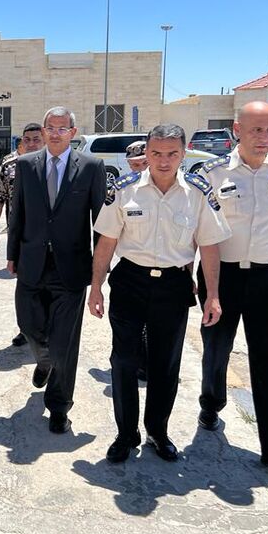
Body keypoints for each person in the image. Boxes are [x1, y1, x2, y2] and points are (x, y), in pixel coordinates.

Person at [88, 124, 230, 463]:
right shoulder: (124, 189)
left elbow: (209, 246)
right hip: (130, 281)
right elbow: (106, 241)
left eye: (172, 154)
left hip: (173, 285)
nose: (164, 161)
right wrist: (95, 287)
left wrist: (212, 294)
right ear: (146, 153)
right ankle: (126, 433)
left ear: (184, 154)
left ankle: (157, 431)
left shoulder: (198, 193)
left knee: (165, 364)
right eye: (156, 153)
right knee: (123, 360)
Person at [197, 101, 268, 471]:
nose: (264, 137)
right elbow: (203, 234)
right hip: (222, 277)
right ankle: (211, 404)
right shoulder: (213, 173)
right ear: (237, 131)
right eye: (257, 129)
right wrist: (209, 288)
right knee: (217, 350)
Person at [7, 107, 106, 434]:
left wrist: (98, 274)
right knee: (28, 325)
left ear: (73, 133)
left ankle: (60, 406)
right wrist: (12, 254)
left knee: (66, 343)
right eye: (50, 127)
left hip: (71, 268)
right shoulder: (25, 165)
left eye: (63, 128)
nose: (55, 133)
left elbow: (100, 224)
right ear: (44, 129)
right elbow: (18, 213)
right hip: (31, 263)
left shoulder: (91, 167)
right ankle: (44, 360)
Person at [0, 123, 44, 347]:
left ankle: (45, 329)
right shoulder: (10, 166)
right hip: (21, 237)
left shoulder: (54, 165)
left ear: (44, 140)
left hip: (48, 237)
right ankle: (26, 329)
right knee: (25, 285)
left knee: (48, 284)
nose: (31, 144)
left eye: (36, 139)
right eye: (27, 140)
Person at [124, 140, 150, 381]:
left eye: (144, 163)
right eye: (134, 165)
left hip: (167, 269)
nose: (140, 169)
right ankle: (141, 363)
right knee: (135, 323)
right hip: (132, 269)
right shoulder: (123, 190)